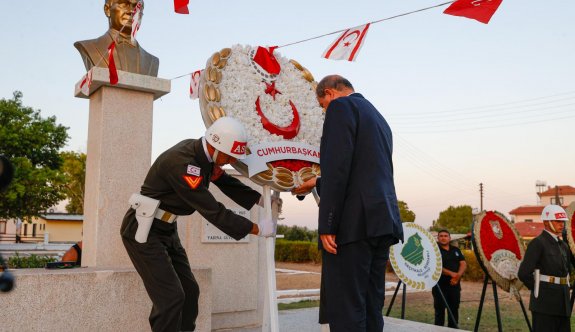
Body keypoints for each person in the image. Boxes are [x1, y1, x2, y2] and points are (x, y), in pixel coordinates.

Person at [121, 117, 276, 332]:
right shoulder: (182, 162)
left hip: (166, 229)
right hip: (143, 229)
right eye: (229, 156)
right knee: (171, 297)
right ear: (216, 146)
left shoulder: (204, 155)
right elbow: (212, 209)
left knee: (190, 292)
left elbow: (224, 180)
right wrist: (258, 229)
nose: (230, 161)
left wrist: (261, 200)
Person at [292, 75, 404, 331]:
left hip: (354, 227)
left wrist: (328, 224)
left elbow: (338, 167)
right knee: (370, 305)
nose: (325, 112)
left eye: (323, 107)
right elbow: (364, 171)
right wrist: (317, 183)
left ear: (329, 93)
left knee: (346, 308)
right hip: (382, 221)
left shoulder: (341, 107)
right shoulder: (378, 117)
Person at [518, 204, 574, 332]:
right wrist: (540, 290)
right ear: (547, 222)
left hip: (563, 302)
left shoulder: (564, 245)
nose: (562, 224)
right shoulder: (537, 243)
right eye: (557, 221)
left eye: (563, 222)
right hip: (544, 305)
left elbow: (567, 271)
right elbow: (524, 273)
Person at [74, 0, 159, 76]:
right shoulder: (90, 48)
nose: (132, 11)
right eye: (124, 4)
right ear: (107, 10)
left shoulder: (152, 61)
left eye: (137, 6)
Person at [432, 229, 466, 328]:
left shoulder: (456, 250)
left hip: (454, 286)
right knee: (439, 312)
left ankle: (453, 329)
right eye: (441, 236)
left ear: (449, 238)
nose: (443, 237)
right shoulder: (434, 251)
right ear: (438, 238)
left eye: (445, 236)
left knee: (454, 311)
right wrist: (452, 274)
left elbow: (463, 263)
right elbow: (435, 266)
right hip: (439, 287)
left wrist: (457, 276)